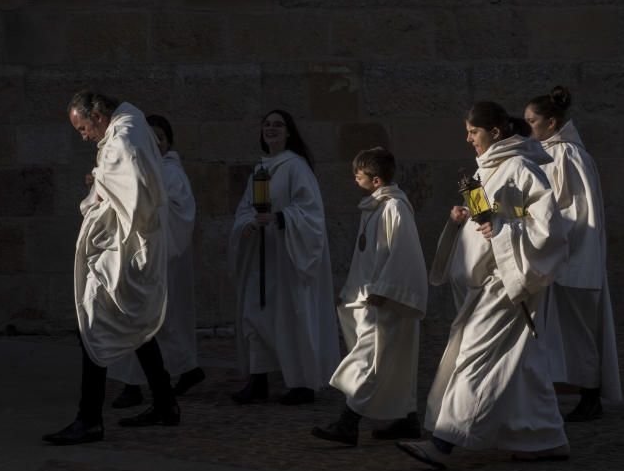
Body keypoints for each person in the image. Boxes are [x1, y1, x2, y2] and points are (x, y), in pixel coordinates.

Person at [397, 101, 570, 469]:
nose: (468, 139)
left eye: (473, 132)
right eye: (467, 132)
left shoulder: (521, 167)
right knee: (523, 364)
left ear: (495, 131)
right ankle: (545, 436)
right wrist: (462, 218)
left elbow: (549, 231)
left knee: (474, 359)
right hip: (483, 285)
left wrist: (503, 229)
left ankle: (442, 443)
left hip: (504, 284)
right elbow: (489, 220)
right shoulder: (488, 171)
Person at [42, 90, 178, 445]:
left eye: (83, 128)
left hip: (126, 247)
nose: (84, 136)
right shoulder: (130, 124)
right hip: (130, 245)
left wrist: (100, 180)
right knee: (130, 319)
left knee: (93, 321)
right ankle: (165, 403)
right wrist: (102, 177)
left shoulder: (125, 139)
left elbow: (136, 195)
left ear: (99, 117)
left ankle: (89, 419)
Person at [312, 147, 428, 446]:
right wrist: (350, 292)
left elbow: (403, 255)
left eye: (359, 175)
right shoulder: (374, 208)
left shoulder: (394, 208)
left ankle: (348, 423)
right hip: (371, 298)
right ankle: (407, 419)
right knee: (391, 362)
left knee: (370, 362)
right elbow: (366, 258)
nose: (354, 179)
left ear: (376, 181)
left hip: (386, 301)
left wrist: (384, 291)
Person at [228, 109, 340, 405]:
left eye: (278, 125)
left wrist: (279, 219)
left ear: (289, 132)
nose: (271, 129)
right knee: (255, 313)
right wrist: (249, 224)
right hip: (262, 257)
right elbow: (244, 209)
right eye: (266, 124)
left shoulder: (296, 167)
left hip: (289, 256)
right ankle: (259, 379)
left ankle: (303, 383)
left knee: (292, 316)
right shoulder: (260, 170)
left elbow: (311, 213)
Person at [525, 86, 622, 421]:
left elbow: (577, 211)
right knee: (560, 331)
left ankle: (590, 395)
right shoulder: (549, 153)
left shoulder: (567, 155)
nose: (529, 128)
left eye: (533, 121)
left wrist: (542, 237)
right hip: (560, 256)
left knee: (579, 330)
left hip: (572, 258)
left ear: (551, 123)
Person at [108, 115, 205, 408]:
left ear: (169, 142)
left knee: (151, 321)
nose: (156, 143)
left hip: (159, 257)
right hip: (137, 253)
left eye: (160, 138)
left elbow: (179, 213)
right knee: (140, 319)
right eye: (150, 138)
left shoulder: (170, 173)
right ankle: (182, 370)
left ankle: (136, 384)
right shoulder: (140, 167)